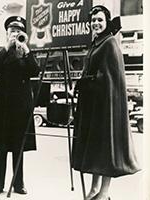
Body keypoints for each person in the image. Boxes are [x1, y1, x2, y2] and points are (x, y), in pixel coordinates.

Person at [71, 5, 140, 200]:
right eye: (93, 20)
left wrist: (85, 82)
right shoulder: (96, 43)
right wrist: (80, 84)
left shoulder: (109, 43)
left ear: (107, 21)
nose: (96, 23)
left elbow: (109, 78)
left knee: (105, 150)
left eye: (100, 20)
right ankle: (94, 189)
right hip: (95, 106)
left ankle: (104, 193)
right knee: (95, 150)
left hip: (106, 107)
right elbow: (91, 74)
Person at [0, 16, 40, 195]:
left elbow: (35, 71)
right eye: (12, 31)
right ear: (7, 33)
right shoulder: (1, 51)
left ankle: (19, 184)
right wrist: (7, 48)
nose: (15, 34)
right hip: (3, 105)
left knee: (19, 148)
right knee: (2, 148)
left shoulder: (25, 51)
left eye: (18, 31)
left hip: (21, 106)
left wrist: (26, 51)